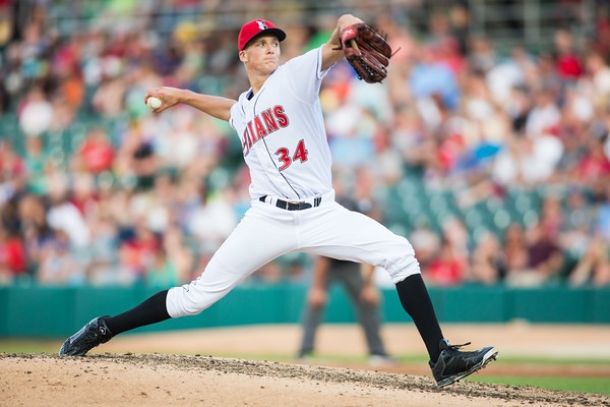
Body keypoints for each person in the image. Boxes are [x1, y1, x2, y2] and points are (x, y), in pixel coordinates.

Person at [58, 14, 497, 388]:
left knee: (399, 252)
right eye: (260, 44)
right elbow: (229, 108)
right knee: (195, 299)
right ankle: (101, 328)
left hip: (322, 213)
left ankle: (440, 358)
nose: (271, 49)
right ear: (243, 56)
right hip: (266, 219)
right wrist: (183, 96)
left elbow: (338, 30)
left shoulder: (296, 75)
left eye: (274, 43)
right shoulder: (244, 109)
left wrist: (350, 31)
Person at [298, 257, 393, 365]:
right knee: (314, 302)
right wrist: (317, 288)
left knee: (368, 301)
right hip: (328, 262)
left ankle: (378, 353)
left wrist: (368, 286)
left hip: (352, 264)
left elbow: (371, 258)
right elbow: (322, 258)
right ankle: (305, 352)